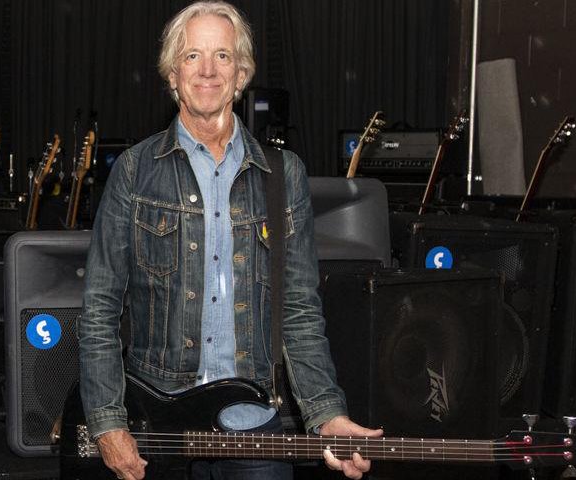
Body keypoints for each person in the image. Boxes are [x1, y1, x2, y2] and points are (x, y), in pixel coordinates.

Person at [77, 2, 382, 480]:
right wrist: (107, 422)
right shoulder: (136, 171)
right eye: (192, 55)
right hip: (155, 422)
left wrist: (327, 416)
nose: (207, 70)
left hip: (254, 420)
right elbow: (99, 308)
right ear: (173, 73)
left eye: (222, 56)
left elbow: (299, 308)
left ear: (241, 75)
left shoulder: (284, 175)